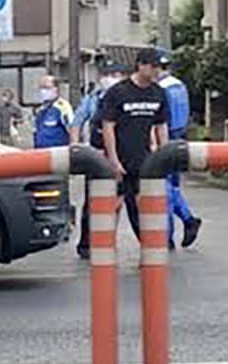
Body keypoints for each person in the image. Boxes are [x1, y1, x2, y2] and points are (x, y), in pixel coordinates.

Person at [100, 49, 169, 240]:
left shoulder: (158, 93)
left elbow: (161, 126)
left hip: (144, 160)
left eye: (159, 67)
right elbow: (108, 126)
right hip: (120, 157)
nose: (157, 71)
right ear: (141, 65)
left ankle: (149, 248)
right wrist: (113, 160)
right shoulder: (118, 92)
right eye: (153, 66)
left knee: (142, 208)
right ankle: (103, 247)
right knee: (112, 205)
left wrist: (164, 157)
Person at [72, 63, 127, 258]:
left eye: (114, 74)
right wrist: (76, 147)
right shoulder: (93, 98)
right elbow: (77, 121)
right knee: (91, 201)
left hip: (120, 155)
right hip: (95, 156)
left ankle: (109, 238)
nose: (109, 78)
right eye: (107, 74)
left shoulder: (124, 96)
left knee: (119, 200)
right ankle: (86, 243)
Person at [157, 50, 203, 249]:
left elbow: (162, 120)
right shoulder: (179, 86)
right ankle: (188, 219)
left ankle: (167, 236)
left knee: (164, 188)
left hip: (166, 140)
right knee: (172, 186)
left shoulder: (160, 89)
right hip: (180, 139)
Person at [33, 75, 74, 149]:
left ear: (56, 89)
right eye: (41, 87)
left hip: (58, 152)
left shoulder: (62, 107)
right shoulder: (41, 110)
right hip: (42, 152)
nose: (43, 91)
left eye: (47, 87)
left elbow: (71, 130)